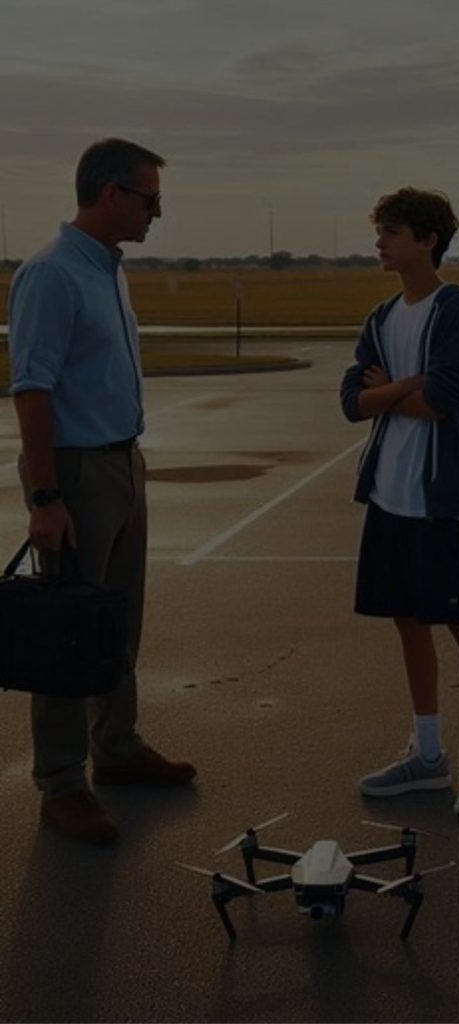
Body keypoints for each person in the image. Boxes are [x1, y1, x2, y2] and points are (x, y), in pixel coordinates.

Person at [7, 138, 196, 846]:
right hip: (76, 473)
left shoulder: (107, 271)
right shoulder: (52, 275)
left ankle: (116, 747)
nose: (156, 213)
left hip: (122, 463)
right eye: (150, 199)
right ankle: (62, 782)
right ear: (112, 194)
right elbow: (31, 389)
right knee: (64, 631)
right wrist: (46, 497)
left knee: (117, 619)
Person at [340, 187, 459, 817]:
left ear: (428, 240)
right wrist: (400, 388)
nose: (380, 242)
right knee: (408, 626)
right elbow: (352, 401)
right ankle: (429, 756)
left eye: (392, 231)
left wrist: (397, 386)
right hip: (388, 496)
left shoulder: (456, 308)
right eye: (380, 231)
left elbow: (443, 399)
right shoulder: (381, 318)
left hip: (439, 499)